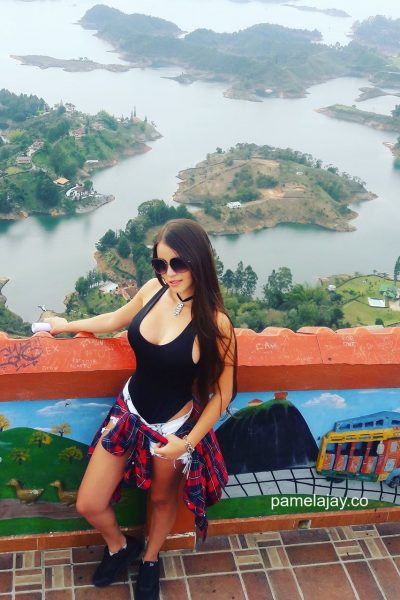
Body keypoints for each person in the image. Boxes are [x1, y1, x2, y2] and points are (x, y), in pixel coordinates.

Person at [45, 218, 237, 599]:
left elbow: (223, 393)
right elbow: (115, 319)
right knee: (89, 502)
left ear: (198, 260)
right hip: (128, 414)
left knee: (162, 500)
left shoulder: (216, 324)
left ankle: (150, 559)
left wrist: (186, 443)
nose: (169, 273)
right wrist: (65, 325)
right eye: (160, 264)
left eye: (178, 263)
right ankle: (120, 546)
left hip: (172, 430)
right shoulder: (153, 290)